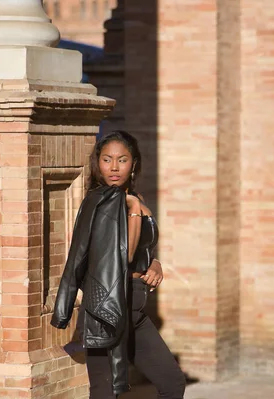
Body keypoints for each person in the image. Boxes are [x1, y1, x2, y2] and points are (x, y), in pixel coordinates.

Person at [51, 130, 186, 398]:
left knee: (172, 382)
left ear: (133, 163)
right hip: (107, 313)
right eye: (106, 159)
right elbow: (121, 259)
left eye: (122, 160)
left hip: (134, 312)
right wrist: (134, 208)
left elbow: (142, 250)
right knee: (105, 392)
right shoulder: (101, 202)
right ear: (97, 163)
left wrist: (155, 263)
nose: (114, 167)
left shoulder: (132, 198)